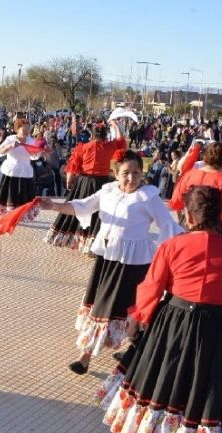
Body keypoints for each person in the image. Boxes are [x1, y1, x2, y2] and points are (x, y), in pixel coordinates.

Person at [96, 186, 222, 433]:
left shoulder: (172, 246)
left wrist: (136, 319)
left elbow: (151, 287)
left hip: (172, 322)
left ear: (189, 217)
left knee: (165, 377)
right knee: (204, 383)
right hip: (215, 326)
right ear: (221, 216)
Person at [39, 151, 182, 375]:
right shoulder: (107, 191)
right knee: (100, 305)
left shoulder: (148, 196)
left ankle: (127, 350)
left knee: (132, 308)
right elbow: (82, 206)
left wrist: (187, 247)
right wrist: (54, 206)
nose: (131, 178)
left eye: (136, 172)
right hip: (107, 259)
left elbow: (169, 226)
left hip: (135, 263)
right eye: (126, 173)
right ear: (115, 173)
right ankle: (85, 355)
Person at [45, 119, 126, 251]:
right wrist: (116, 126)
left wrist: (69, 182)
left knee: (77, 208)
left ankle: (73, 239)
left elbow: (73, 166)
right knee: (98, 213)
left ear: (92, 134)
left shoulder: (82, 147)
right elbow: (121, 142)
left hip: (84, 182)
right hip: (102, 183)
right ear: (105, 135)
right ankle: (93, 242)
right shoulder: (109, 146)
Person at [169, 142, 222, 238]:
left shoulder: (189, 175)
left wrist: (181, 221)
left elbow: (177, 202)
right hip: (214, 229)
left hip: (189, 224)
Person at [0, 119, 44, 217]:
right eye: (24, 130)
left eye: (28, 129)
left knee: (25, 195)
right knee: (9, 195)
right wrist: (10, 146)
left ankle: (21, 214)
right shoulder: (11, 138)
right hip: (12, 172)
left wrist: (39, 152)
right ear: (17, 129)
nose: (26, 132)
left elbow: (34, 157)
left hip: (25, 172)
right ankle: (8, 214)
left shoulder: (31, 140)